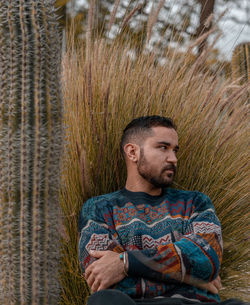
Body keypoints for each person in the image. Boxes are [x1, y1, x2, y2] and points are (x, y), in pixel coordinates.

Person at [78, 115, 245, 305]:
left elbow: (208, 258)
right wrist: (190, 277)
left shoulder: (196, 202)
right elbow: (103, 277)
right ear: (132, 152)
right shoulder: (98, 209)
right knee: (104, 300)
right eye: (163, 147)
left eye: (175, 150)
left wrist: (126, 262)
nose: (173, 158)